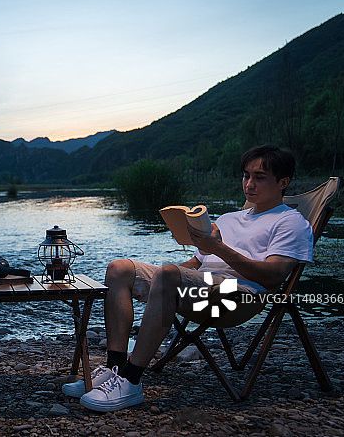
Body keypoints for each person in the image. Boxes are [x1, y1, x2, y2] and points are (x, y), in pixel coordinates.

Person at [63, 145, 314, 412]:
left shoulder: (290, 222)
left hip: (237, 298)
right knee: (119, 268)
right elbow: (197, 263)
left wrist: (215, 249)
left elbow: (274, 277)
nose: (249, 184)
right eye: (246, 175)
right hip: (200, 291)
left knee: (169, 274)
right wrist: (164, 274)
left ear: (283, 182)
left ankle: (131, 380)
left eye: (260, 177)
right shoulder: (229, 219)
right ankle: (115, 367)